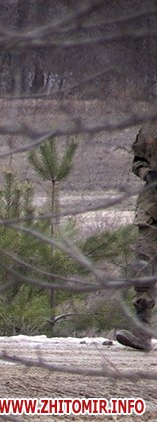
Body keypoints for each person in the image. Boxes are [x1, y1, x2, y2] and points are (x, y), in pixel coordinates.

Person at [117, 121, 157, 351]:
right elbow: (138, 160)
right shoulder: (150, 128)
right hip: (152, 208)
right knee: (143, 269)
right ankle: (142, 333)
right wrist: (148, 174)